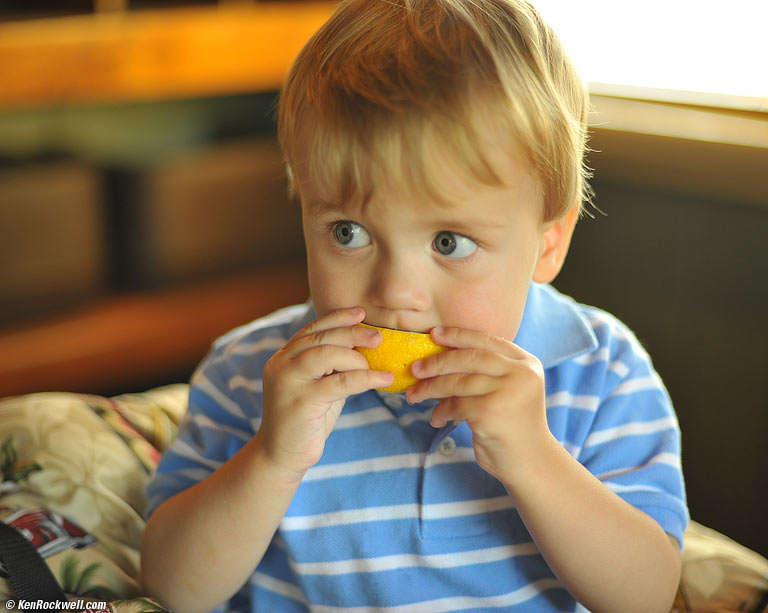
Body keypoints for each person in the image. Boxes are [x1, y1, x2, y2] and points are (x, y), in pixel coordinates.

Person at [140, 0, 688, 611]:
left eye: (449, 243)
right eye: (349, 232)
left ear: (547, 243)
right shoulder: (247, 372)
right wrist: (271, 458)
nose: (396, 293)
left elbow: (648, 595)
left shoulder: (601, 371)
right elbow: (171, 587)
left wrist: (534, 460)